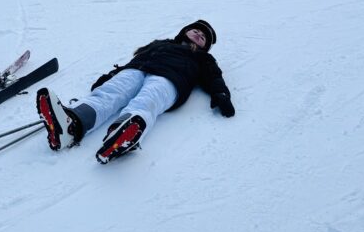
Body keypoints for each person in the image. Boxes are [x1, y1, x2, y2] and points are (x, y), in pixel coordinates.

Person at [36, 19, 233, 164]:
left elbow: (214, 77)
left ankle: (123, 135)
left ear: (205, 46)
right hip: (137, 70)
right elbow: (136, 59)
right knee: (108, 93)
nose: (199, 35)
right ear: (185, 31)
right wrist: (112, 75)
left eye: (203, 37)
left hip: (170, 78)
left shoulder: (203, 59)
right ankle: (72, 125)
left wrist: (221, 94)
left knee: (147, 101)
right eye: (196, 30)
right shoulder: (161, 43)